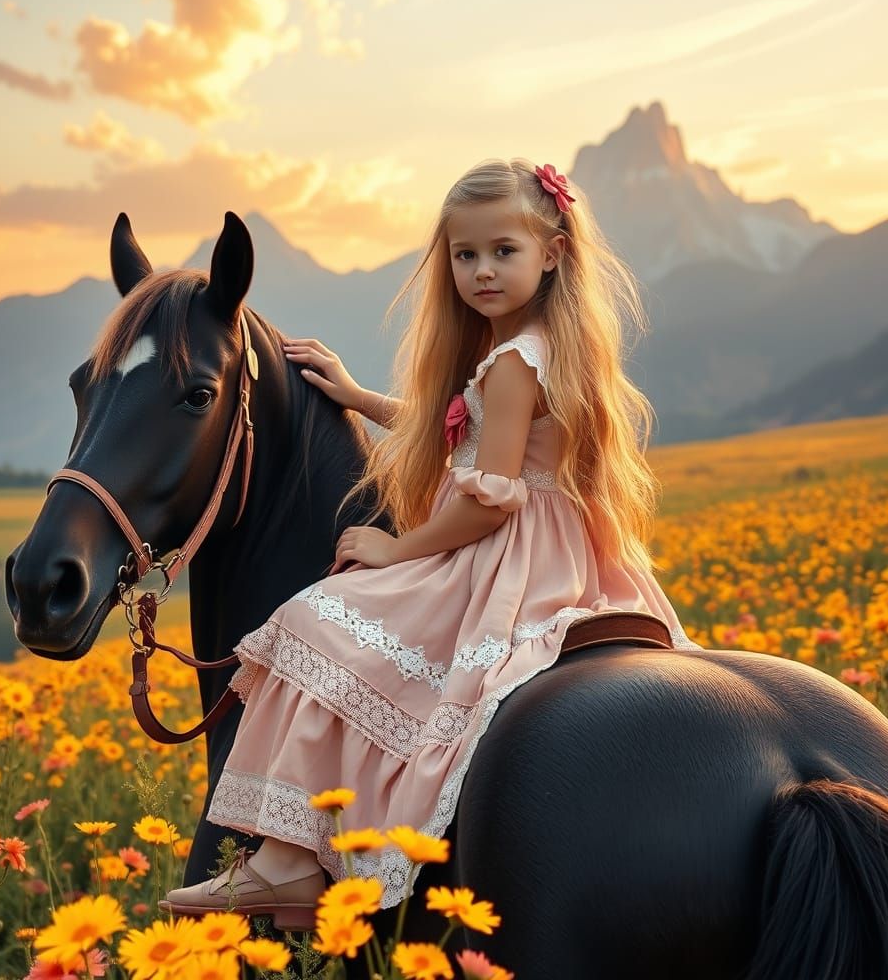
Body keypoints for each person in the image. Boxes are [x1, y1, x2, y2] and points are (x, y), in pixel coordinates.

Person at [162, 157, 703, 919]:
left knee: (312, 620)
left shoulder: (514, 361)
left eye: (503, 251)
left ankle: (285, 861)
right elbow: (464, 438)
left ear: (552, 252)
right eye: (464, 254)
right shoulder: (540, 346)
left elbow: (489, 505)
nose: (482, 271)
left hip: (505, 557)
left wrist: (395, 549)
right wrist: (359, 398)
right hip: (556, 551)